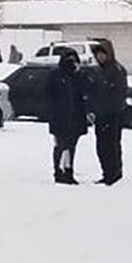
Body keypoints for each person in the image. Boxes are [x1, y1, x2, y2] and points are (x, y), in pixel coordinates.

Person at [45, 48, 89, 185]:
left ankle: (68, 170)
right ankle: (59, 171)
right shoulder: (56, 75)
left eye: (74, 60)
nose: (72, 63)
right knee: (61, 145)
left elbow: (85, 93)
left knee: (71, 145)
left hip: (76, 116)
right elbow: (48, 95)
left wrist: (78, 73)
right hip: (60, 116)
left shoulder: (79, 76)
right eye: (69, 60)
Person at [87, 41, 128, 185]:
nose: (100, 57)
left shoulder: (116, 70)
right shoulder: (99, 71)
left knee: (111, 145)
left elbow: (118, 94)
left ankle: (113, 173)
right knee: (102, 146)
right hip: (101, 115)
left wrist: (107, 108)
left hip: (112, 115)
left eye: (103, 54)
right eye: (97, 54)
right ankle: (107, 172)